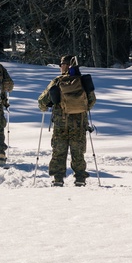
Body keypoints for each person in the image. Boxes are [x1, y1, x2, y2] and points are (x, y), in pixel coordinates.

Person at [37, 55, 96, 186]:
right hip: (79, 124)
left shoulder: (57, 81)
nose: (60, 67)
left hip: (61, 124)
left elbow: (42, 101)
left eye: (61, 64)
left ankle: (58, 178)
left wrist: (48, 105)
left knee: (59, 151)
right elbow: (91, 101)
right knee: (78, 152)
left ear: (66, 66)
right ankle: (80, 178)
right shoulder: (82, 81)